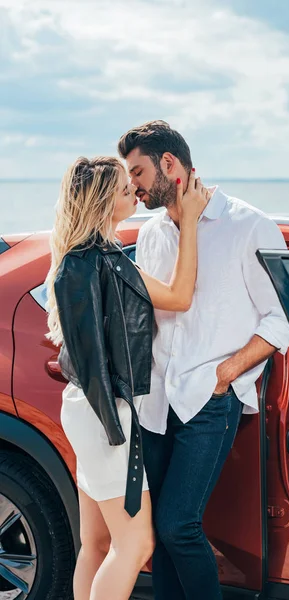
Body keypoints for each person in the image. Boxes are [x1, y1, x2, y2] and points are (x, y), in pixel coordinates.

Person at [117, 121, 289, 600]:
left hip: (210, 399)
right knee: (162, 531)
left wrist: (229, 371)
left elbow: (282, 318)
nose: (131, 185)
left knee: (179, 525)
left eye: (137, 172)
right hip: (155, 400)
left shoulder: (249, 226)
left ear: (169, 165)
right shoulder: (152, 233)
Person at [44, 156, 207, 600]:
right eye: (123, 190)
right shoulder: (97, 263)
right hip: (105, 413)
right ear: (101, 204)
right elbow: (179, 296)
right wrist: (189, 221)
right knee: (137, 544)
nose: (134, 194)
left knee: (96, 544)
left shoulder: (90, 258)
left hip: (90, 409)